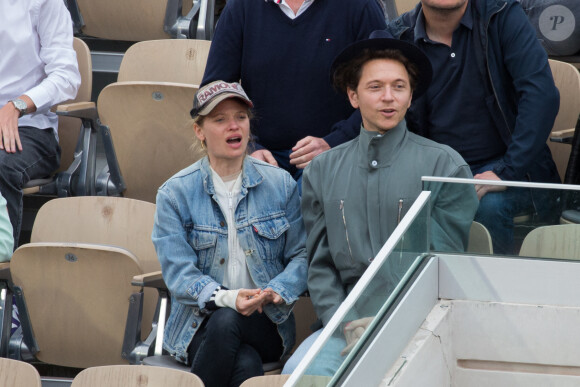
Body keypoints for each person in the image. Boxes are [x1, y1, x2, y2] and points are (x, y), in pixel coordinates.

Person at [282, 30, 478, 375]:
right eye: (375, 87)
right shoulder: (322, 171)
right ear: (353, 96)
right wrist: (343, 321)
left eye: (399, 87)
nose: (388, 98)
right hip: (344, 326)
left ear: (410, 95)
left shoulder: (445, 167)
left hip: (418, 325)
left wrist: (391, 320)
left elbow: (442, 268)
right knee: (300, 374)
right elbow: (320, 266)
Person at [152, 81, 308, 387]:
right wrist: (228, 297)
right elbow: (179, 274)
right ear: (200, 131)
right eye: (219, 119)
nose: (233, 126)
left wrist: (277, 289)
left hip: (267, 322)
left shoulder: (282, 185)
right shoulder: (175, 193)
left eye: (240, 117)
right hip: (198, 325)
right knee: (242, 355)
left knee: (228, 323)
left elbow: (301, 255)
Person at [385, 0, 561, 254]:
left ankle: (494, 292)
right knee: (393, 203)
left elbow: (541, 96)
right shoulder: (398, 36)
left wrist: (507, 171)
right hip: (436, 173)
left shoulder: (501, 16)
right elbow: (373, 107)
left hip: (516, 171)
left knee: (484, 206)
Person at [201, 0, 387, 186]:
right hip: (258, 158)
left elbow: (383, 90)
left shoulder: (361, 6)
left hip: (338, 158)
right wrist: (250, 147)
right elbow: (215, 91)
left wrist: (335, 142)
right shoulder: (240, 7)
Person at [0, 0, 81, 245]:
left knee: (2, 164)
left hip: (29, 126)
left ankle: (4, 267)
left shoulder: (44, 2)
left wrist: (18, 105)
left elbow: (66, 77)